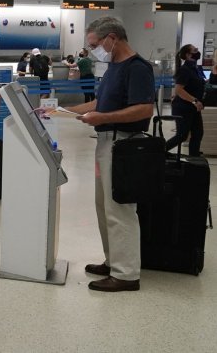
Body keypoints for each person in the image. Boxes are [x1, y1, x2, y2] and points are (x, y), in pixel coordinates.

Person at [61, 16, 155, 292]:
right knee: (103, 207)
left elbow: (143, 109)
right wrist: (63, 111)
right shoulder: (113, 66)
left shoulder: (137, 68)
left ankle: (126, 274)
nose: (93, 51)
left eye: (95, 44)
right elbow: (98, 103)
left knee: (120, 209)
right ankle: (113, 260)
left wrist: (103, 117)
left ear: (112, 38)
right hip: (106, 143)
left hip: (123, 145)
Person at [165, 44, 205, 156]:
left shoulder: (195, 69)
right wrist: (195, 101)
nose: (197, 52)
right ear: (188, 55)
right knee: (182, 135)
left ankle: (194, 158)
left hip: (193, 108)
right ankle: (159, 152)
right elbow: (179, 90)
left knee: (198, 133)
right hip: (183, 107)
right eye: (195, 50)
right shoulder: (185, 70)